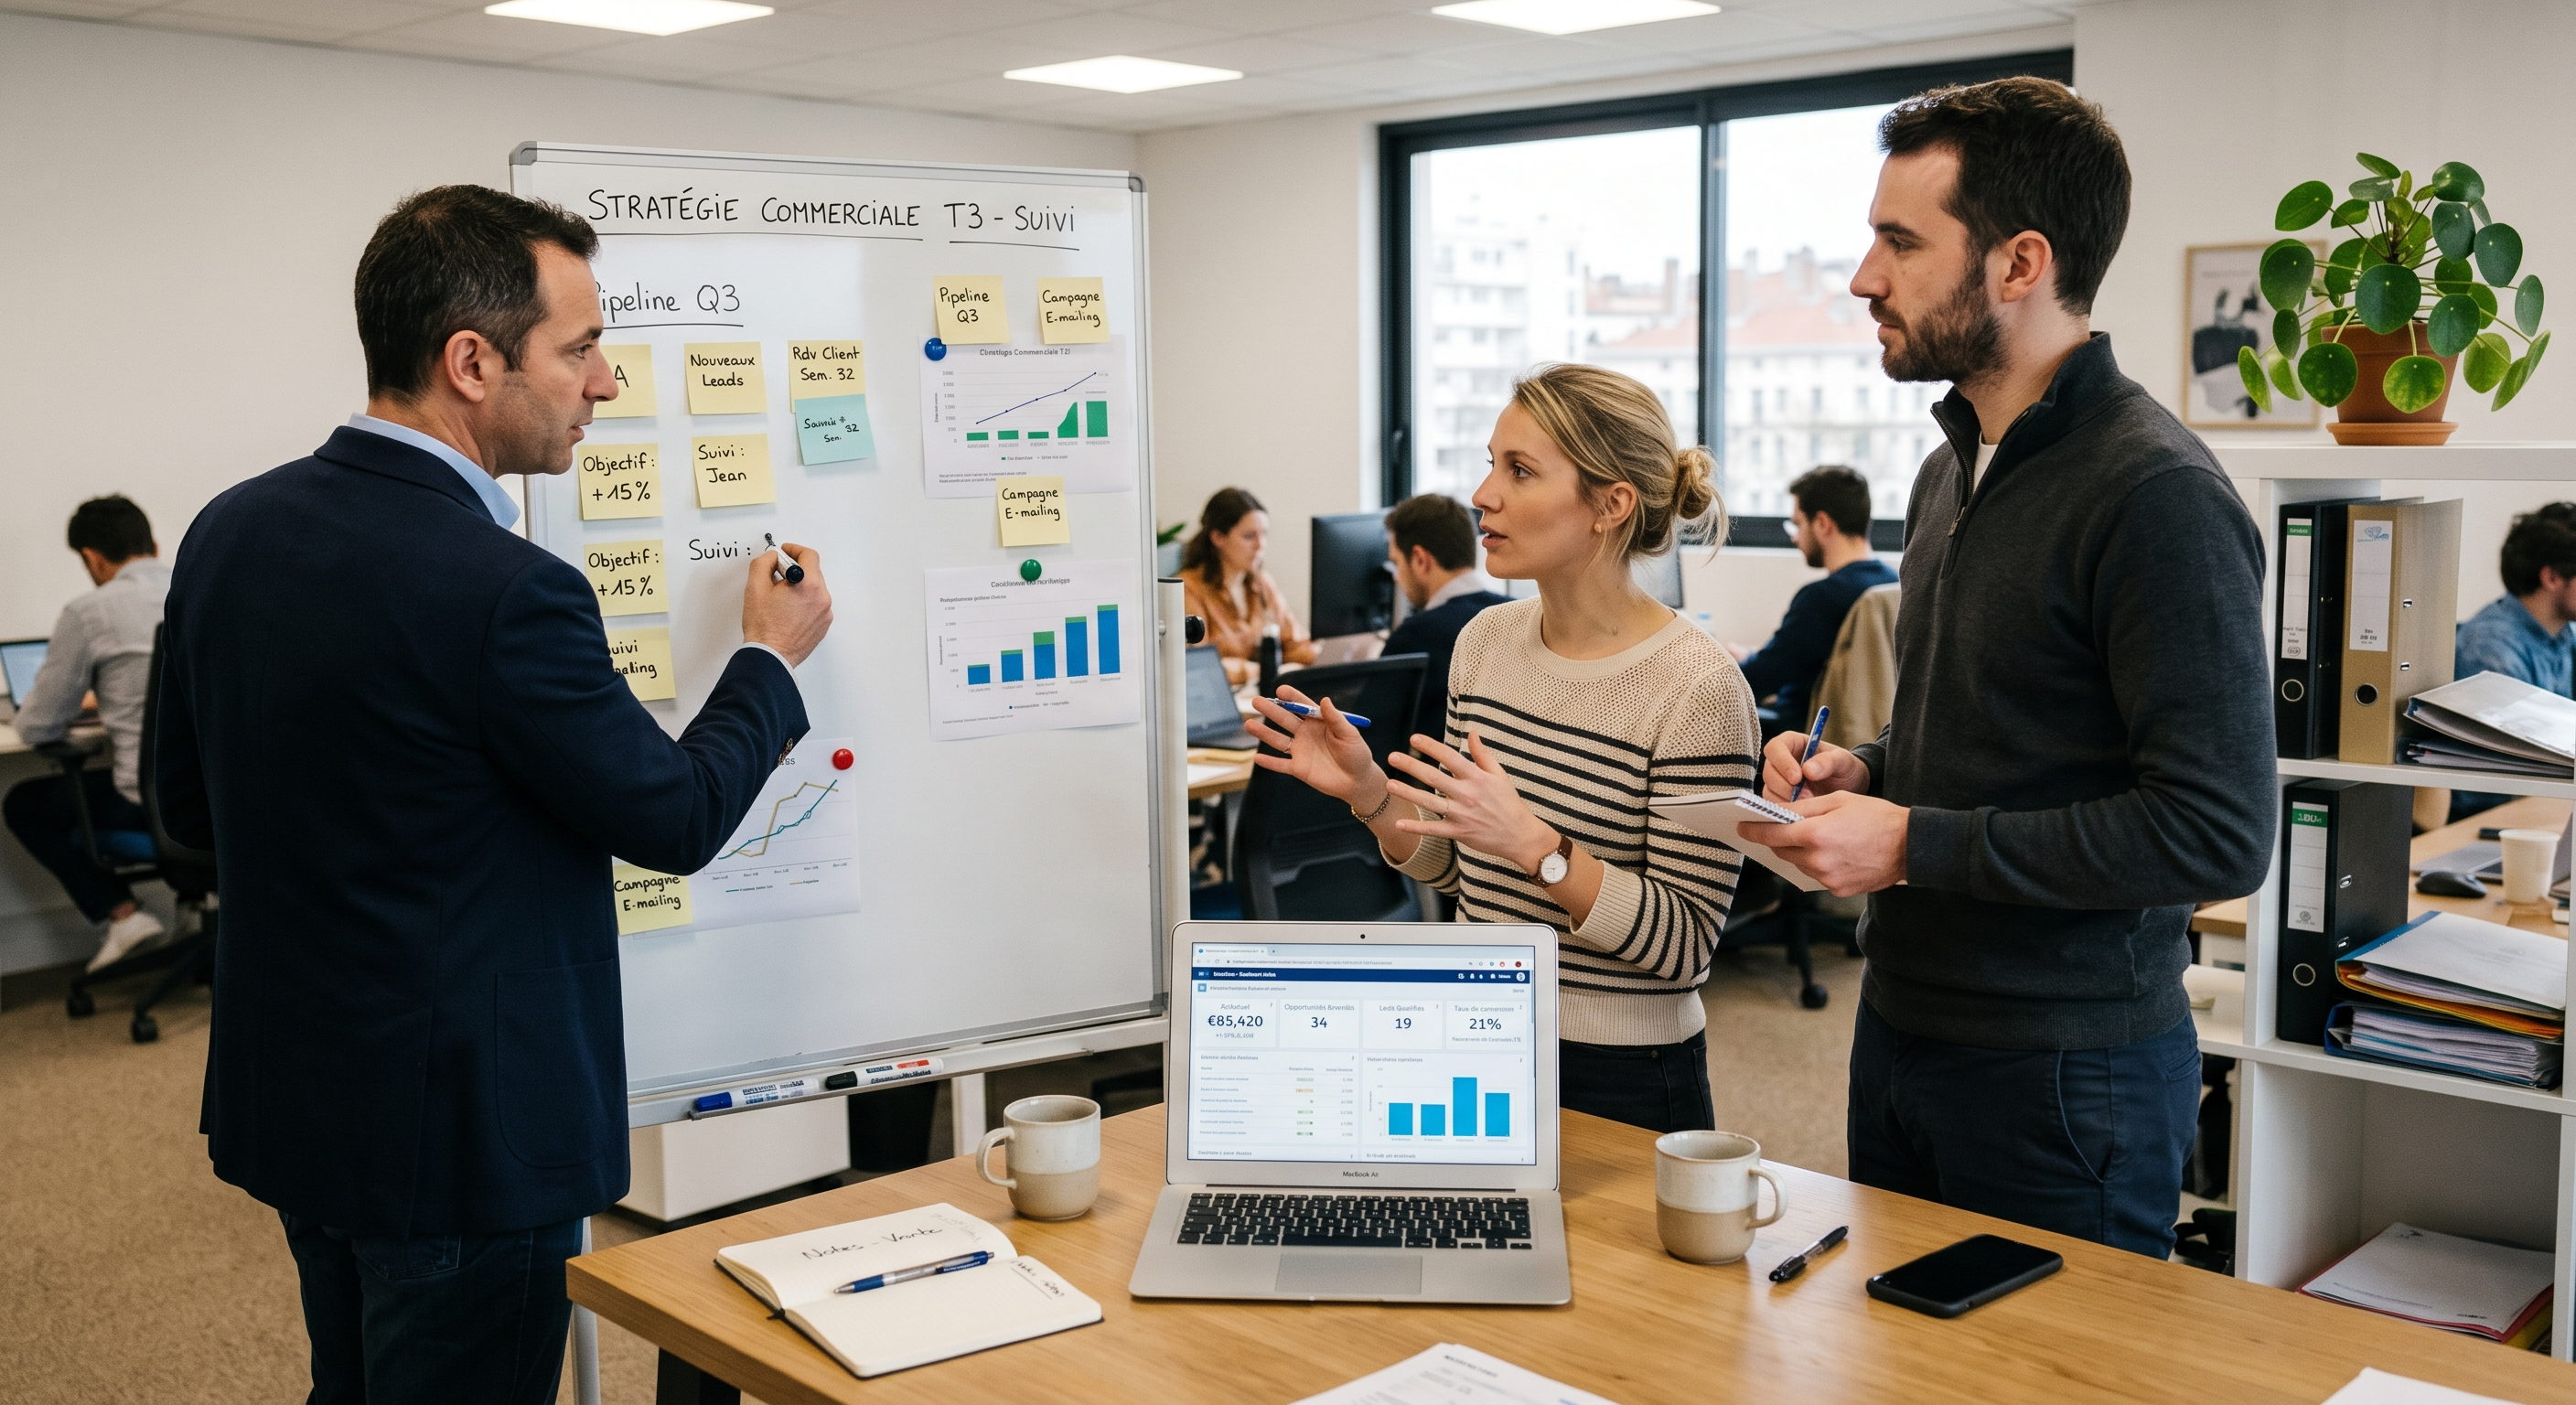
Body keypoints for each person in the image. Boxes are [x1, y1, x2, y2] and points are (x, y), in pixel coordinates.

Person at [156, 186, 833, 1404]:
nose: (606, 383)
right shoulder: (506, 590)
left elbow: (185, 818)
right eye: (579, 349)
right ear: (471, 362)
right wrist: (767, 664)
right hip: (469, 1141)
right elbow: (674, 816)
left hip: (305, 1103)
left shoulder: (228, 533)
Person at [1741, 78, 2273, 1259]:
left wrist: (1911, 840)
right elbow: (1999, 738)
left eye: (1900, 241)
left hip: (2064, 1075)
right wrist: (1863, 771)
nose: (1863, 277)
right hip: (1903, 1028)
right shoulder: (1950, 468)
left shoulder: (2157, 496)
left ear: (2020, 261)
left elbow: (2216, 831)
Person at [1246, 363, 1756, 1134]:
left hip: (1621, 1074)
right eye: (1491, 464)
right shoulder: (1482, 643)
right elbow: (1461, 871)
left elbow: (1683, 947)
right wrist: (1372, 796)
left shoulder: (1698, 688)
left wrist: (1538, 847)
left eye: (1519, 470)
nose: (1483, 495)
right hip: (1475, 1038)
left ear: (1610, 505)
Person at [3, 495, 173, 971]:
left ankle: (122, 915)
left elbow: (37, 727)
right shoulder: (200, 590)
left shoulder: (91, 613)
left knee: (24, 804)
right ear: (154, 545)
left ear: (93, 558)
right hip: (227, 797)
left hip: (150, 804)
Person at [1726, 466, 1897, 733]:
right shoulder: (1892, 583)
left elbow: (1760, 679)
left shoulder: (1823, 597)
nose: (1795, 537)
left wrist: (1723, 663)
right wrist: (1752, 656)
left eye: (1797, 524)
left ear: (1822, 524)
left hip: (1803, 735)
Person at [2448, 502, 2576, 820]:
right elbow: (2527, 773)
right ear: (2552, 578)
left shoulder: (2563, 635)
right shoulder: (2491, 650)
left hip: (2541, 809)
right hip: (2492, 820)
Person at [1379, 492, 1509, 743]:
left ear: (1420, 559)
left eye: (1396, 563)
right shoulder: (1514, 614)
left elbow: (1371, 734)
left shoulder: (1415, 635)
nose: (1396, 577)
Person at [1178, 487, 1317, 686]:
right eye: (1249, 536)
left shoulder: (1261, 582)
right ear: (1218, 537)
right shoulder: (1189, 589)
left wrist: (1324, 655)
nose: (1261, 545)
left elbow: (1295, 643)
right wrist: (1265, 670)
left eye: (1264, 534)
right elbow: (1200, 666)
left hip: (1258, 693)